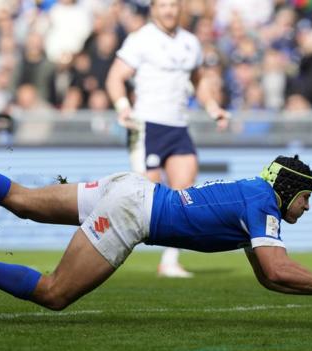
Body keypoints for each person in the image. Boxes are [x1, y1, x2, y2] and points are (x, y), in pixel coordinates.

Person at [0, 155, 312, 312]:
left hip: (132, 189)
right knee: (54, 294)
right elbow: (276, 271)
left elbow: (267, 278)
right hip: (132, 211)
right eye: (305, 198)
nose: (306, 207)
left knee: (23, 200)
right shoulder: (262, 205)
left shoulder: (254, 197)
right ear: (288, 190)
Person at [105, 0, 230, 277]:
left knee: (185, 194)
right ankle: (105, 247)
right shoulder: (141, 39)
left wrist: (212, 107)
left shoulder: (190, 42)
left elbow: (199, 81)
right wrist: (123, 106)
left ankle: (169, 261)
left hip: (178, 126)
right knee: (145, 198)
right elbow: (115, 77)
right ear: (153, 9)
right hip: (147, 124)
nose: (169, 10)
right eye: (163, 5)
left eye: (173, 5)